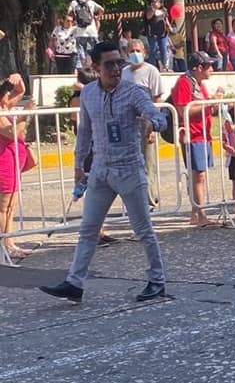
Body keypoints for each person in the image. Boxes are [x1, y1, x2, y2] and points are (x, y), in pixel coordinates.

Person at [39, 42, 168, 303]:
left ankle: (157, 280)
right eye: (109, 64)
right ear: (95, 67)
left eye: (118, 63)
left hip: (129, 169)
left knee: (143, 229)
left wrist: (150, 123)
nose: (116, 69)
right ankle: (74, 283)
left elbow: (160, 117)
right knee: (88, 229)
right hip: (100, 170)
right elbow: (84, 132)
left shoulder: (134, 92)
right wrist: (78, 167)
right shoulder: (88, 94)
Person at [171, 51, 225, 227]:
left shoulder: (198, 84)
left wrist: (213, 103)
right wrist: (210, 102)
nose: (213, 69)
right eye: (210, 66)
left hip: (202, 133)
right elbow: (182, 110)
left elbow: (203, 108)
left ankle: (197, 213)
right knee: (198, 174)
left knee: (200, 174)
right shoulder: (184, 83)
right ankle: (200, 214)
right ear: (199, 67)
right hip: (192, 135)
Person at [68, 68, 118, 247]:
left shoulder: (96, 96)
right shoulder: (79, 98)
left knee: (101, 190)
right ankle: (93, 232)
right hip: (88, 148)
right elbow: (78, 120)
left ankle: (100, 230)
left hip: (99, 146)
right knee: (92, 190)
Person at [121, 39, 163, 209]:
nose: (135, 54)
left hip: (145, 122)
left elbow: (156, 99)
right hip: (127, 123)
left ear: (145, 52)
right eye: (132, 50)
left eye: (138, 50)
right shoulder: (124, 72)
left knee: (147, 163)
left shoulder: (151, 71)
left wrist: (153, 125)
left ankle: (149, 199)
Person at [0, 74, 35, 259]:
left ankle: (9, 241)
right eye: (6, 91)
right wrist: (26, 114)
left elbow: (21, 89)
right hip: (3, 162)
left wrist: (17, 77)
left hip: (13, 161)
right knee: (3, 207)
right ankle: (4, 243)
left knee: (11, 206)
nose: (10, 93)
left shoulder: (5, 106)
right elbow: (12, 132)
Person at [67, 0, 104, 68]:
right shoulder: (91, 2)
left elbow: (68, 12)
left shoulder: (74, 3)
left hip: (80, 33)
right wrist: (98, 17)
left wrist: (75, 17)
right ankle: (95, 68)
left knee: (81, 53)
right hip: (92, 32)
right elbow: (102, 9)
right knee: (94, 51)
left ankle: (83, 70)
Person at [144, 0, 171, 70]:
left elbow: (166, 19)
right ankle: (152, 67)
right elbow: (148, 17)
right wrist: (154, 8)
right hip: (152, 33)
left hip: (163, 33)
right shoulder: (149, 8)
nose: (156, 0)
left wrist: (169, 26)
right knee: (153, 50)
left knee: (163, 49)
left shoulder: (164, 10)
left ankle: (165, 67)